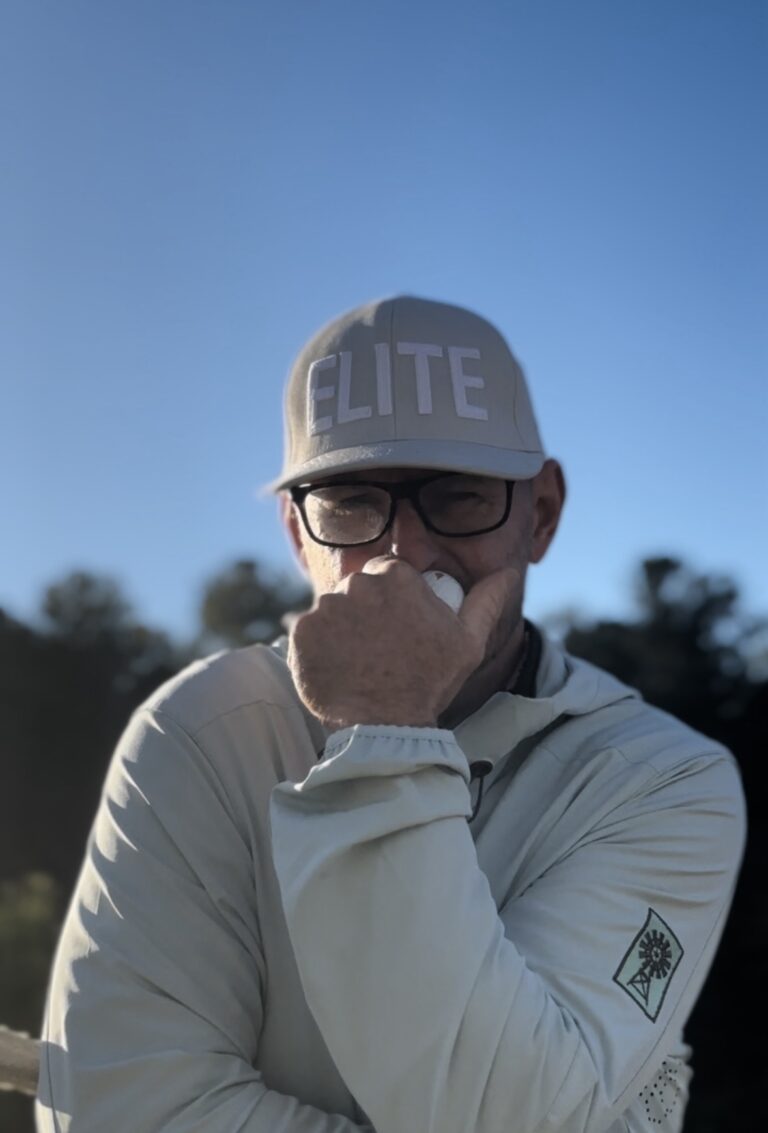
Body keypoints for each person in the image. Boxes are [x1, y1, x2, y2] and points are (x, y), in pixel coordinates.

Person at [36, 296, 746, 1133]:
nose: (403, 552)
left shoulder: (665, 781)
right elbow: (117, 1111)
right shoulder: (201, 733)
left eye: (458, 495)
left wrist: (384, 730)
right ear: (299, 535)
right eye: (349, 501)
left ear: (541, 513)